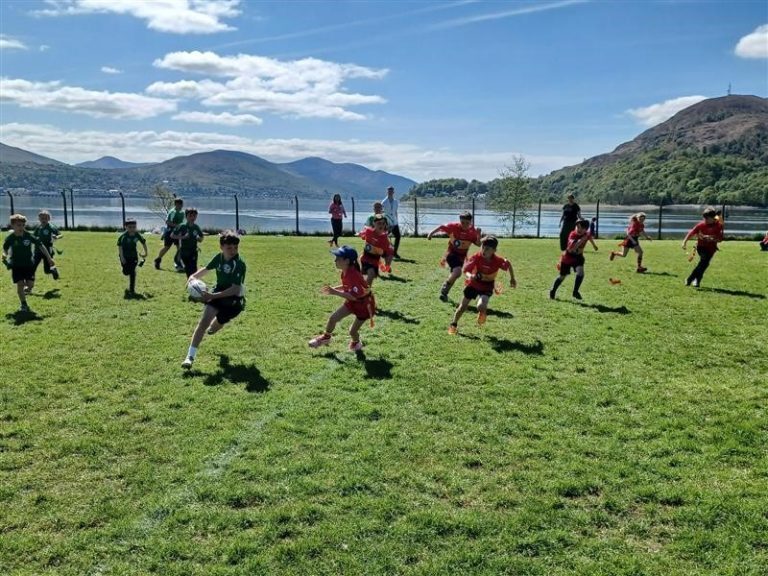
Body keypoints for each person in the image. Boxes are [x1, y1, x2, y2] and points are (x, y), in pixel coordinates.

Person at [182, 231, 246, 369]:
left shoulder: (239, 264)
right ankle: (190, 357)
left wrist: (212, 296)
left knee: (217, 325)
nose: (233, 251)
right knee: (203, 322)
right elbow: (206, 269)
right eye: (229, 248)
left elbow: (235, 289)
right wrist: (193, 277)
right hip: (218, 292)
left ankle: (216, 326)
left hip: (233, 301)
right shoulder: (219, 258)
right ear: (221, 247)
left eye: (235, 247)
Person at [308, 245, 375, 352]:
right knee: (333, 318)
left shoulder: (353, 274)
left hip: (364, 305)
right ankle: (326, 338)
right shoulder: (346, 271)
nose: (335, 260)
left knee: (352, 332)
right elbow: (348, 287)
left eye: (338, 258)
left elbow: (353, 296)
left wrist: (334, 292)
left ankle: (356, 343)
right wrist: (334, 289)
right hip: (354, 301)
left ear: (347, 261)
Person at [448, 235, 515, 334]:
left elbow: (508, 264)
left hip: (487, 287)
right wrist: (470, 276)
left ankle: (482, 313)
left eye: (487, 249)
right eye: (482, 247)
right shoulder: (476, 257)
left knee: (481, 306)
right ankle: (453, 324)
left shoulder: (497, 261)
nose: (484, 250)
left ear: (494, 250)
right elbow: (466, 271)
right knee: (462, 307)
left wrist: (512, 279)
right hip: (473, 285)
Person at [2, 214, 56, 313]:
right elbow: (5, 249)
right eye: (18, 225)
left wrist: (49, 258)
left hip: (29, 265)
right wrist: (4, 255)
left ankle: (27, 290)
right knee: (20, 284)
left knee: (30, 285)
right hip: (16, 266)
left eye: (23, 225)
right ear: (13, 226)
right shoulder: (10, 238)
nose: (21, 227)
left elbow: (41, 245)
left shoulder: (28, 235)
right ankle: (24, 304)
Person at [427, 211, 482, 301]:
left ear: (471, 222)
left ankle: (445, 291)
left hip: (461, 257)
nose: (464, 225)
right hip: (451, 254)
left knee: (455, 274)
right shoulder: (453, 227)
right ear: (459, 221)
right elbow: (441, 227)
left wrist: (479, 235)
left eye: (467, 223)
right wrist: (431, 233)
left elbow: (478, 244)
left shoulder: (472, 232)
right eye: (462, 222)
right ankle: (444, 289)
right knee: (458, 272)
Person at [550, 218, 598, 300]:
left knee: (581, 273)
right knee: (562, 277)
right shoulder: (572, 235)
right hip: (567, 257)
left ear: (586, 229)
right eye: (577, 227)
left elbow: (589, 237)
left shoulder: (586, 234)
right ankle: (553, 290)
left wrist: (594, 245)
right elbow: (572, 249)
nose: (579, 229)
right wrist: (582, 239)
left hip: (578, 257)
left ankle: (575, 292)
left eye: (581, 228)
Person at [682, 207, 724, 288]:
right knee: (704, 262)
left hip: (711, 249)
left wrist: (712, 238)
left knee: (704, 265)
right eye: (705, 218)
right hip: (701, 247)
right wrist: (684, 242)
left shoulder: (718, 226)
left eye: (707, 219)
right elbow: (691, 232)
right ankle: (690, 279)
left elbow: (720, 239)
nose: (706, 220)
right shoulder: (701, 225)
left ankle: (696, 280)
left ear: (713, 218)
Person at [358, 214, 394, 286]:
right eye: (379, 223)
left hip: (375, 261)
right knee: (370, 274)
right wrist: (360, 234)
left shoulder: (384, 238)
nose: (381, 225)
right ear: (374, 223)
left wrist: (387, 263)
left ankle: (386, 267)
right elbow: (363, 234)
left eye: (383, 223)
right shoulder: (368, 231)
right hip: (365, 258)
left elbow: (388, 251)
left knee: (372, 275)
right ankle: (364, 292)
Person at [117, 218, 148, 296]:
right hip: (125, 257)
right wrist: (122, 257)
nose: (132, 229)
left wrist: (145, 252)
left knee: (132, 272)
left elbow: (143, 242)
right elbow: (120, 247)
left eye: (134, 227)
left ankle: (132, 289)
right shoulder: (123, 237)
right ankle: (125, 270)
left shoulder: (137, 235)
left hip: (134, 256)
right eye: (130, 227)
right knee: (126, 272)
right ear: (126, 227)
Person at [171, 207, 204, 278]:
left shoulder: (196, 227)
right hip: (184, 252)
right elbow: (172, 235)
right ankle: (190, 283)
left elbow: (201, 238)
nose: (192, 217)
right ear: (186, 216)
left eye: (194, 216)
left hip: (193, 251)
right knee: (188, 269)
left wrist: (199, 238)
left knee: (194, 269)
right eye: (190, 216)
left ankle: (193, 284)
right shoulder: (182, 226)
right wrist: (183, 237)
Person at [154, 197, 185, 270]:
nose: (180, 206)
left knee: (180, 248)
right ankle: (158, 259)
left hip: (178, 233)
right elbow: (167, 222)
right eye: (179, 204)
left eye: (181, 204)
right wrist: (176, 225)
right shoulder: (172, 212)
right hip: (170, 232)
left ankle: (178, 263)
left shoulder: (182, 212)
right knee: (167, 247)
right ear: (175, 204)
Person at [32, 210, 61, 282]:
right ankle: (29, 285)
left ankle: (53, 271)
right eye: (41, 218)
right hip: (38, 250)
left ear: (49, 219)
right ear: (39, 219)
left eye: (45, 218)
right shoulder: (38, 227)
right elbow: (33, 236)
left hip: (48, 250)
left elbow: (60, 234)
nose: (43, 220)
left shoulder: (51, 227)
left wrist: (56, 237)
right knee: (32, 267)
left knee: (47, 271)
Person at [382, 185, 401, 258]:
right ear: (387, 192)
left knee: (398, 236)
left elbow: (396, 212)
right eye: (389, 191)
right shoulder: (384, 202)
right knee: (383, 237)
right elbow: (382, 214)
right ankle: (384, 253)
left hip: (395, 222)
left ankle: (395, 252)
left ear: (393, 192)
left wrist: (397, 220)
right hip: (387, 223)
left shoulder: (396, 202)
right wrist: (384, 224)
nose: (390, 192)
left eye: (391, 191)